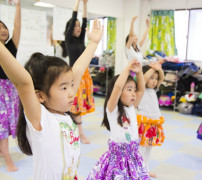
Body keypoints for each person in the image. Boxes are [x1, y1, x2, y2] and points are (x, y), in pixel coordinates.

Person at [0, 19, 103, 179]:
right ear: (40, 95)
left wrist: (93, 43)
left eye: (71, 86)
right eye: (63, 88)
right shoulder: (40, 118)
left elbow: (78, 69)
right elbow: (23, 82)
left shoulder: (63, 111)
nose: (71, 93)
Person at [87, 59, 150, 179]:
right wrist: (127, 68)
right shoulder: (113, 109)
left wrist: (139, 72)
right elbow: (117, 87)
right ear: (119, 93)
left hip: (133, 158)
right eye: (129, 89)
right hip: (117, 161)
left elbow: (142, 90)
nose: (134, 93)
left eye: (134, 89)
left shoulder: (131, 107)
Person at [65, 0, 93, 144]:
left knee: (79, 107)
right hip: (74, 75)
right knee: (75, 106)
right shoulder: (69, 40)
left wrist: (85, 5)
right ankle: (80, 134)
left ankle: (77, 131)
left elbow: (84, 21)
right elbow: (75, 16)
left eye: (78, 26)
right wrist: (77, 2)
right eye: (74, 26)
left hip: (85, 75)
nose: (78, 28)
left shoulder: (81, 39)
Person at [0, 0, 21, 172]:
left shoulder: (10, 48)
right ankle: (7, 158)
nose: (2, 30)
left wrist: (18, 6)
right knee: (2, 127)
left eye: (3, 27)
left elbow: (17, 27)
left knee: (5, 126)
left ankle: (4, 151)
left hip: (10, 91)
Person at [137, 60, 165, 178]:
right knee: (141, 149)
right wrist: (153, 68)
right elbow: (143, 78)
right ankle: (138, 170)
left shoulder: (154, 90)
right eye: (151, 78)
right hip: (144, 123)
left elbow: (162, 78)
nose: (154, 81)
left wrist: (158, 68)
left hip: (154, 124)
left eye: (156, 78)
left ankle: (145, 168)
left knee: (149, 148)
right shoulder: (141, 89)